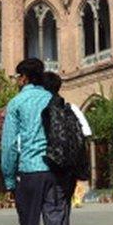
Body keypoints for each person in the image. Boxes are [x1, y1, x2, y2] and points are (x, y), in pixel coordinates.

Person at [1, 58, 62, 225]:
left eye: (17, 77)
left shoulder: (16, 102)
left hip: (30, 171)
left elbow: (9, 145)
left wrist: (9, 180)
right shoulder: (53, 98)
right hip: (54, 171)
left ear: (24, 78)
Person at [41, 72, 92, 217]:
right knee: (63, 213)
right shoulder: (72, 108)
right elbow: (86, 134)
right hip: (70, 169)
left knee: (53, 213)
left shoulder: (45, 111)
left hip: (51, 167)